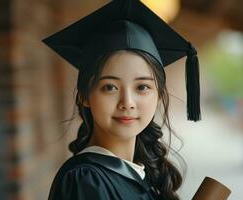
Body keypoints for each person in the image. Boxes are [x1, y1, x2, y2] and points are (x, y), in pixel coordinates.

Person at [43, 0, 201, 199]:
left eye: (142, 87)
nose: (127, 102)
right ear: (85, 95)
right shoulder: (86, 180)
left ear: (159, 96)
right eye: (110, 87)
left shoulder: (142, 176)